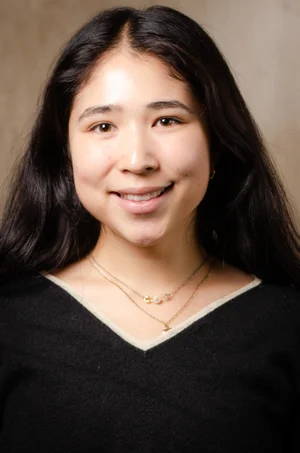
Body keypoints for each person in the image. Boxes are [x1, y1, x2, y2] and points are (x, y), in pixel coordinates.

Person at [0, 4, 299, 452]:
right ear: (66, 154)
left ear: (216, 141)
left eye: (167, 120)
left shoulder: (287, 325)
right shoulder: (10, 322)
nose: (138, 160)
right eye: (103, 126)